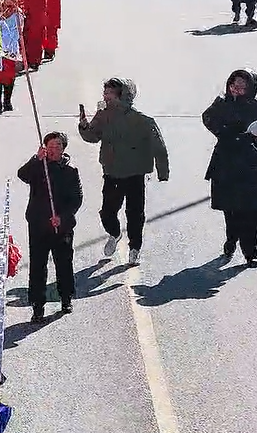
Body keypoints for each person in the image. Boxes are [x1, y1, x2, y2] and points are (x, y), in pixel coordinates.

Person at [77, 77, 169, 266]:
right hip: (112, 172)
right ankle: (115, 233)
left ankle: (135, 248)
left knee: (135, 214)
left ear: (122, 96)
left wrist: (162, 171)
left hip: (135, 174)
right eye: (105, 92)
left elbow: (158, 146)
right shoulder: (103, 116)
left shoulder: (142, 120)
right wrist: (84, 126)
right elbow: (93, 137)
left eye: (109, 93)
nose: (105, 96)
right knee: (107, 212)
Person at [201, 69, 257, 267]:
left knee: (251, 212)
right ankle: (231, 241)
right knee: (231, 210)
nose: (237, 90)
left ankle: (251, 252)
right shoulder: (222, 103)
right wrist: (225, 131)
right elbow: (207, 118)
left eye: (242, 88)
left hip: (250, 166)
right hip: (226, 165)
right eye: (234, 86)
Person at [16, 132, 83, 323]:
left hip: (61, 226)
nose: (54, 150)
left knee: (64, 263)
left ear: (64, 149)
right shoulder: (38, 166)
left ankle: (66, 298)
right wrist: (37, 159)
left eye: (58, 147)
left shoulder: (70, 172)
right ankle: (38, 305)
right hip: (38, 224)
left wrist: (62, 218)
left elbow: (76, 199)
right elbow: (22, 175)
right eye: (51, 146)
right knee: (37, 266)